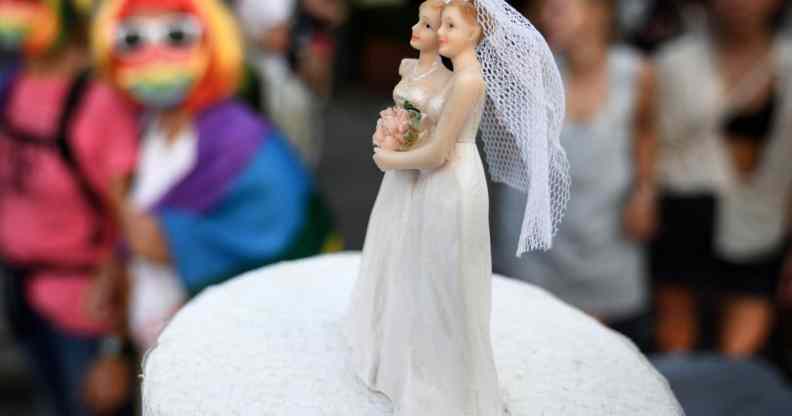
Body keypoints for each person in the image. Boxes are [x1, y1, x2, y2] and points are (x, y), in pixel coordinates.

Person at [349, 0, 567, 413]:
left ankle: (446, 383)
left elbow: (439, 152)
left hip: (452, 178)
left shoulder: (468, 81)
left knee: (447, 279)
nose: (441, 33)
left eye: (450, 25)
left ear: (474, 34)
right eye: (440, 24)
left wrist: (390, 159)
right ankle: (414, 365)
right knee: (426, 271)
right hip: (436, 176)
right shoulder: (453, 76)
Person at [91, 0, 338, 351]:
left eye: (176, 36)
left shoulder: (240, 139)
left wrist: (118, 194)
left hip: (225, 344)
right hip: (158, 342)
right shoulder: (146, 127)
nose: (154, 55)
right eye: (133, 40)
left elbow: (156, 242)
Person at [0, 1, 139, 414]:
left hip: (85, 313)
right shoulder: (16, 83)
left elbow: (130, 225)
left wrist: (115, 347)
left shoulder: (101, 101)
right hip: (23, 292)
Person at [493, 0, 658, 329]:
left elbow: (646, 133)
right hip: (539, 232)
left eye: (559, 8)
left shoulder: (637, 72)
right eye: (544, 10)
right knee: (536, 328)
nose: (546, 18)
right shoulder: (531, 69)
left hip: (606, 226)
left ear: (601, 11)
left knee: (603, 340)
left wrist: (644, 192)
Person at [653, 0, 792, 356]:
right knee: (676, 347)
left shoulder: (788, 64)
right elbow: (652, 144)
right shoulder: (674, 62)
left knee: (738, 359)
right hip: (683, 213)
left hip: (763, 219)